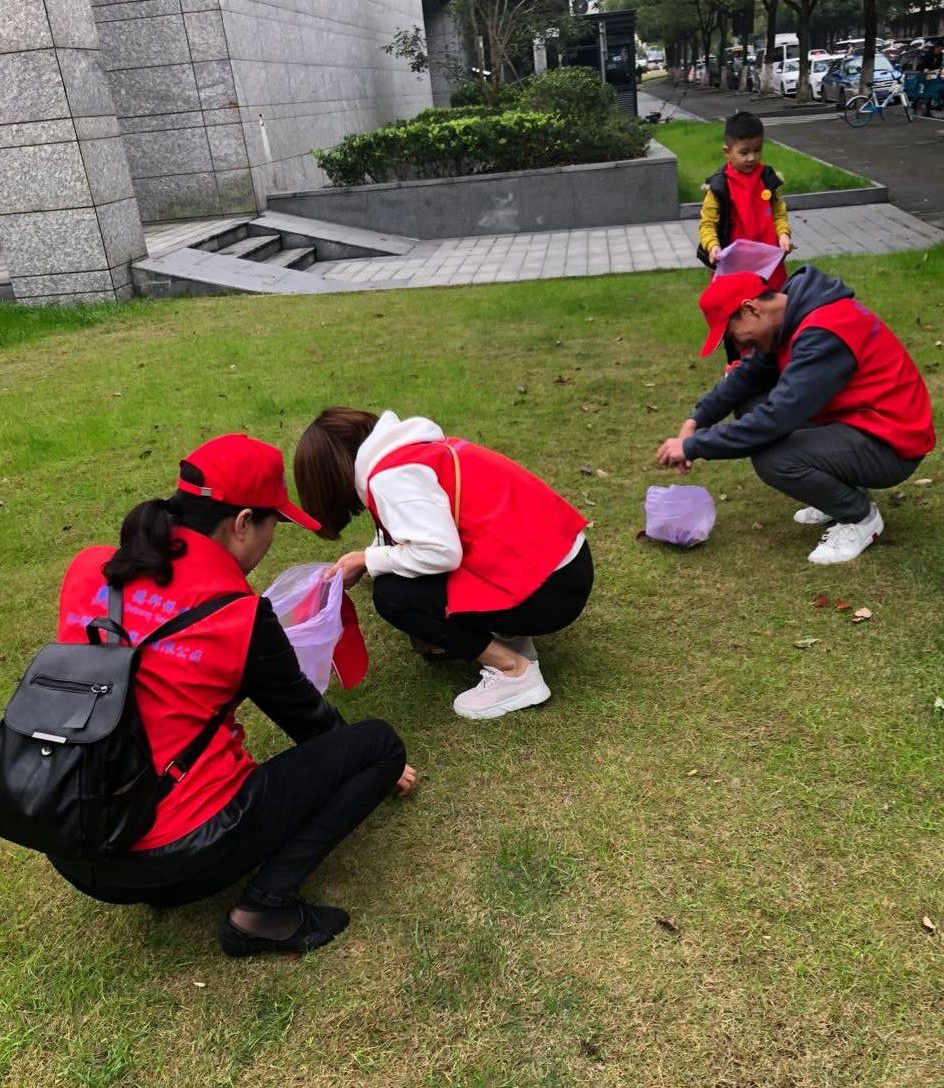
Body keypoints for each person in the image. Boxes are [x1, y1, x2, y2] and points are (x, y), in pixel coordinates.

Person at [50, 434, 414, 956]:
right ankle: (264, 909)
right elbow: (308, 720)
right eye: (273, 525)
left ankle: (162, 874)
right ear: (242, 523)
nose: (270, 541)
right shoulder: (238, 615)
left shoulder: (90, 569)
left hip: (73, 839)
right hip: (179, 850)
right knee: (379, 745)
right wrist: (373, 765)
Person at [293, 409, 594, 720]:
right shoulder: (410, 450)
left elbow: (440, 553)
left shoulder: (390, 479)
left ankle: (513, 672)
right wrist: (370, 559)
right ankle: (510, 636)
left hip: (550, 590)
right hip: (564, 565)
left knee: (394, 595)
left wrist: (369, 560)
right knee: (399, 576)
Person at [656, 267, 936, 565]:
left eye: (733, 336)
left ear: (751, 309)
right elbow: (748, 376)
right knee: (750, 402)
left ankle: (860, 518)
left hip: (893, 444)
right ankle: (834, 493)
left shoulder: (823, 331)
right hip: (861, 423)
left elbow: (775, 419)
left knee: (773, 458)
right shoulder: (792, 312)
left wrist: (693, 446)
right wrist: (695, 421)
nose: (738, 347)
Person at [697, 111, 794, 285]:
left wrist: (783, 234)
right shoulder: (720, 186)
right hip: (735, 265)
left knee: (773, 300)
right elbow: (707, 223)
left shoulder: (767, 178)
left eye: (757, 150)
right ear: (727, 151)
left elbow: (779, 213)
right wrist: (713, 246)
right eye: (744, 152)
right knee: (739, 301)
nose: (752, 158)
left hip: (770, 265)